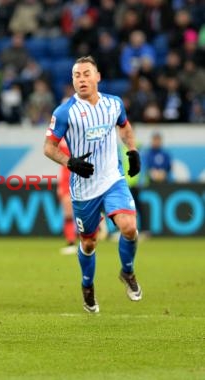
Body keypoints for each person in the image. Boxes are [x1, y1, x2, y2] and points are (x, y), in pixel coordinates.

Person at [44, 55, 143, 314]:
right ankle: (87, 286)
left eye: (86, 74)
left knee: (129, 227)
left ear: (97, 77)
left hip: (112, 180)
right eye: (77, 75)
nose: (82, 79)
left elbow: (125, 127)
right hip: (84, 189)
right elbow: (48, 147)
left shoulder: (113, 104)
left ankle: (128, 271)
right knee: (89, 243)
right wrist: (70, 162)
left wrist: (132, 150)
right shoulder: (65, 112)